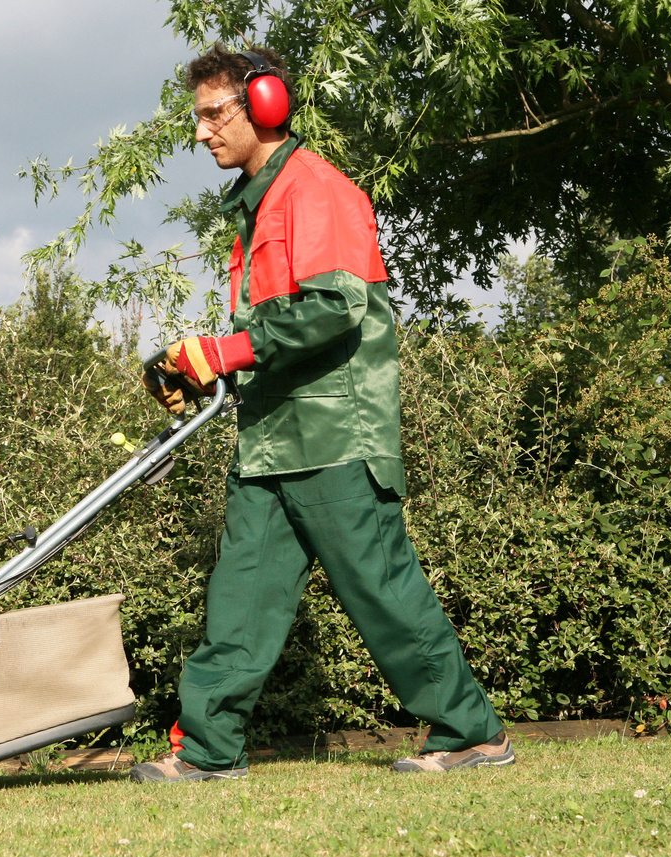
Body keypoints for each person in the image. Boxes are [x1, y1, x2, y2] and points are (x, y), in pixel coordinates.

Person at [129, 44, 514, 783]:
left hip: (337, 433)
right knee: (239, 599)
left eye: (213, 115)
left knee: (382, 591)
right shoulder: (259, 202)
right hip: (271, 439)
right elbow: (271, 332)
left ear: (265, 104)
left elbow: (336, 309)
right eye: (197, 119)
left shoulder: (319, 191)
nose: (201, 133)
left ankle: (473, 732)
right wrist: (198, 369)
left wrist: (229, 348)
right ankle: (208, 750)